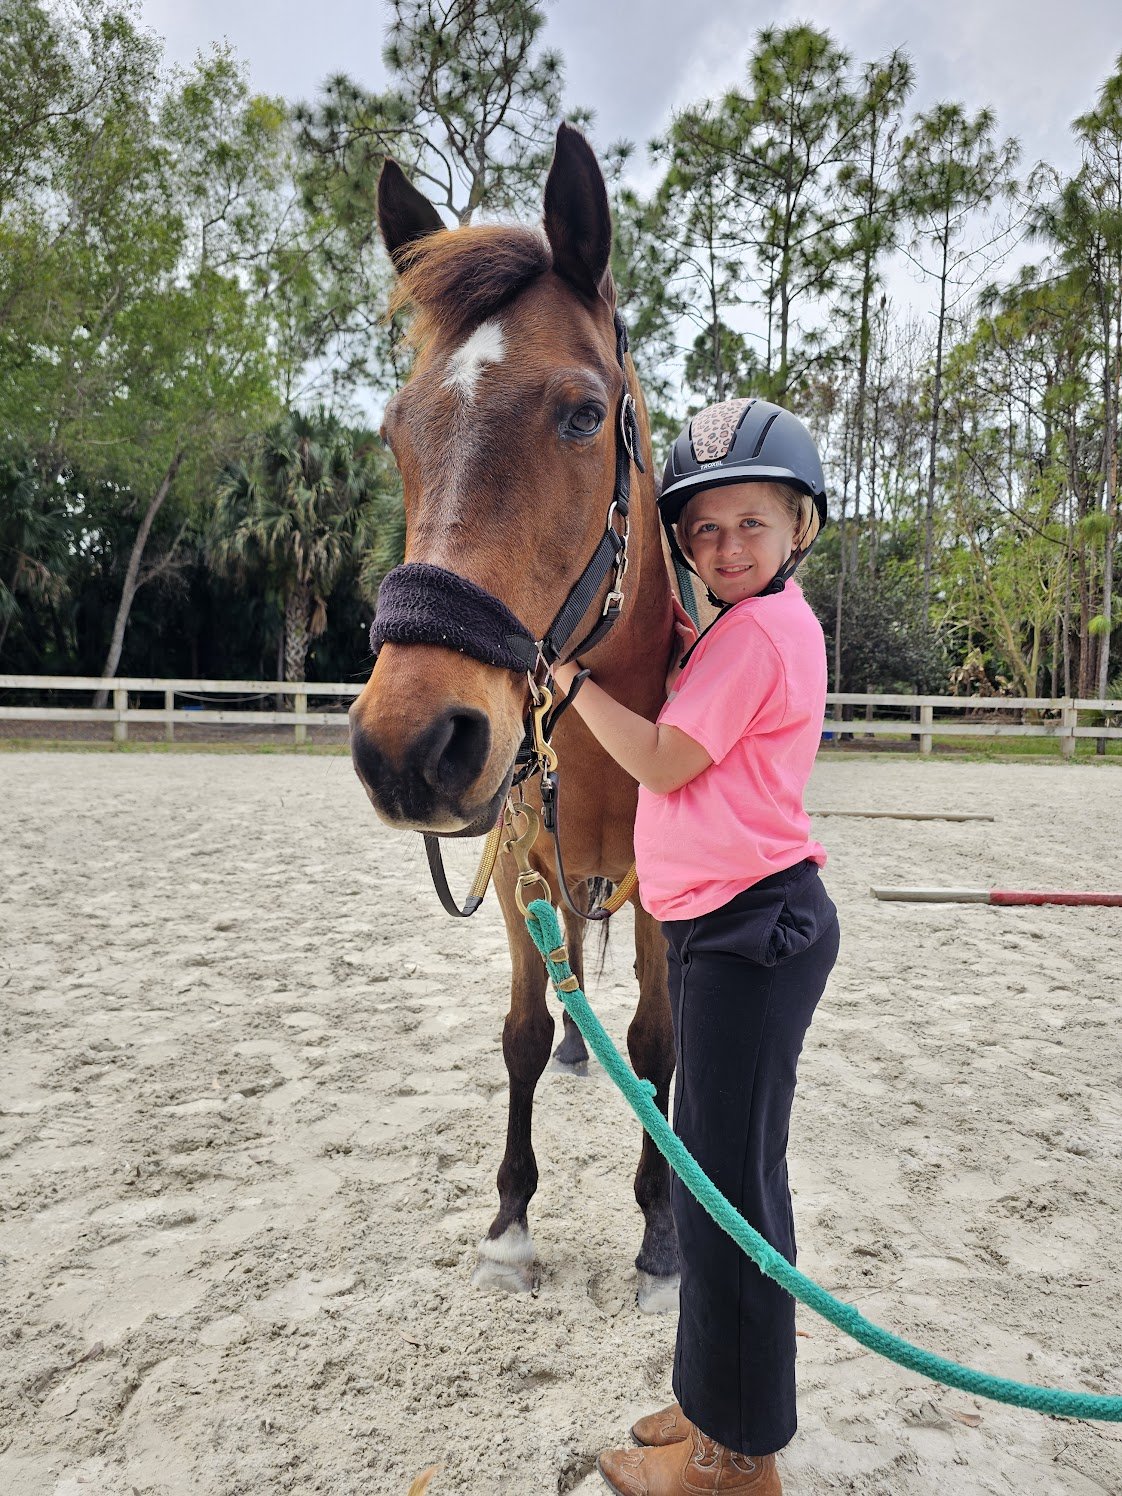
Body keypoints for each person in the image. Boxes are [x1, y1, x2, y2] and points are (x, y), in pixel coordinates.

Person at [550, 395, 840, 1496]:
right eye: (705, 530)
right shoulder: (744, 621)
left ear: (798, 527)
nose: (725, 546)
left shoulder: (760, 632)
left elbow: (667, 759)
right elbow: (690, 667)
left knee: (731, 1195)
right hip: (735, 925)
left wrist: (571, 685)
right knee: (712, 1171)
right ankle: (711, 1398)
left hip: (749, 930)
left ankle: (739, 1453)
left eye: (751, 525)